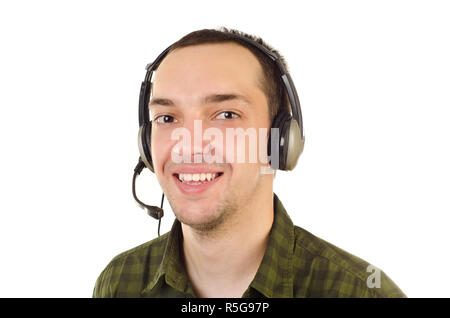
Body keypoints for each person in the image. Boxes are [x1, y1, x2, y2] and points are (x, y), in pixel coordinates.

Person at [93, 27, 406, 298]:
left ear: (280, 140)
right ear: (146, 144)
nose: (189, 144)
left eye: (226, 115)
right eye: (167, 117)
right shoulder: (119, 283)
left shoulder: (361, 291)